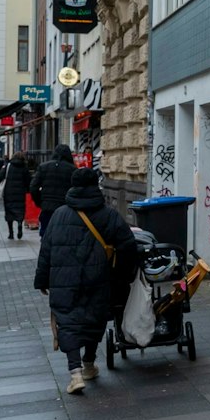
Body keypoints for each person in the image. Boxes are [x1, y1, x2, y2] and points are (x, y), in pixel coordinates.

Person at [34, 167, 139, 394]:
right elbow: (128, 246)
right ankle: (89, 364)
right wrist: (121, 275)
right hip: (99, 279)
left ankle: (75, 374)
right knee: (94, 318)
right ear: (96, 186)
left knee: (68, 321)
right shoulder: (109, 215)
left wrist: (42, 280)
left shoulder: (59, 215)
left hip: (63, 280)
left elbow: (46, 250)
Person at [29, 145, 77, 237]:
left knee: (46, 233)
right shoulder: (72, 169)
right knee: (63, 235)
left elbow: (33, 187)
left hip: (47, 207)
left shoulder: (44, 167)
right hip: (65, 208)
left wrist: (40, 202)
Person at [0, 154, 33, 240]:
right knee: (20, 210)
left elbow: (0, 176)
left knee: (9, 213)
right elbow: (28, 180)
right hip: (20, 193)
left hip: (8, 193)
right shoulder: (24, 168)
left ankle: (11, 233)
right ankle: (19, 224)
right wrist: (29, 190)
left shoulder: (8, 166)